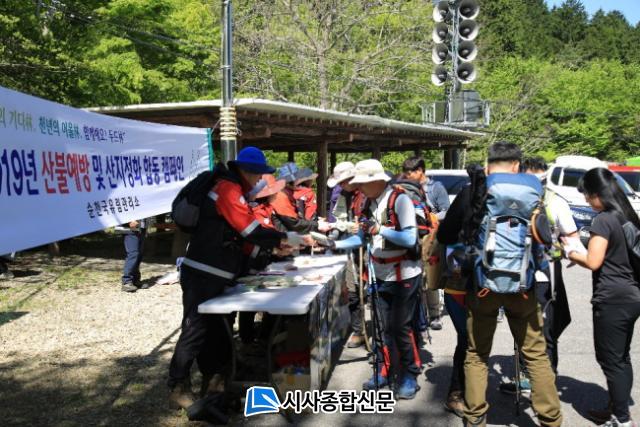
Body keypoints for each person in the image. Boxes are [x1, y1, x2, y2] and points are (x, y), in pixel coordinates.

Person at [167, 147, 304, 410]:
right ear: (246, 171)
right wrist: (286, 238)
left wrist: (273, 249)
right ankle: (177, 386)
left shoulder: (234, 190)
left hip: (218, 273)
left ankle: (216, 378)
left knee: (219, 328)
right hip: (202, 273)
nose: (259, 180)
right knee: (195, 329)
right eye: (258, 174)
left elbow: (240, 239)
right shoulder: (228, 189)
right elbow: (249, 230)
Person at [439, 142, 562, 427]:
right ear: (517, 165)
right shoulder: (535, 192)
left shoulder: (473, 190)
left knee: (477, 354)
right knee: (535, 354)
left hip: (482, 286)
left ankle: (475, 418)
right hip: (524, 286)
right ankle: (551, 420)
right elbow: (544, 236)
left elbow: (445, 235)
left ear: (488, 163)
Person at [329, 159, 423, 400]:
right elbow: (361, 238)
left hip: (404, 273)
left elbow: (410, 239)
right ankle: (383, 370)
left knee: (400, 327)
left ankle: (410, 374)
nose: (359, 187)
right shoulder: (367, 202)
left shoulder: (400, 200)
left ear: (378, 181)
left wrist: (379, 230)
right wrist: (333, 244)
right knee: (381, 327)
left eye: (363, 183)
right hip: (379, 273)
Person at [566, 167, 640, 427]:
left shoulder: (603, 220)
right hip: (632, 295)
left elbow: (593, 261)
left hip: (612, 298)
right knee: (621, 357)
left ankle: (621, 419)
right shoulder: (626, 216)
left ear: (598, 194)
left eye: (587, 195)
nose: (586, 200)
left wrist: (570, 252)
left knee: (611, 360)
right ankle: (616, 408)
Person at [499, 156, 578, 395]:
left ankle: (539, 378)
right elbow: (572, 237)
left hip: (522, 272)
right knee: (540, 326)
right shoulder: (554, 200)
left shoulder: (513, 198)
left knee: (535, 327)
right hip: (543, 272)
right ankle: (537, 377)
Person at [402, 157, 449, 330]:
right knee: (414, 276)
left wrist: (432, 217)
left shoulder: (436, 188)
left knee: (431, 276)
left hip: (430, 237)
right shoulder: (404, 189)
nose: (408, 176)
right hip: (411, 236)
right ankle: (418, 315)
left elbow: (446, 210)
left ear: (420, 171)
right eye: (406, 173)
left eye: (410, 172)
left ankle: (435, 314)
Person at [327, 161, 366, 348]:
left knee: (366, 290)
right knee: (352, 290)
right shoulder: (343, 194)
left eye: (343, 181)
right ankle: (357, 329)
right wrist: (331, 235)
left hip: (369, 248)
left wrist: (362, 227)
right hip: (349, 247)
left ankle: (369, 331)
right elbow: (337, 219)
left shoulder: (366, 193)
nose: (341, 185)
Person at [121, 219, 147, 293]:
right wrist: (129, 220)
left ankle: (135, 280)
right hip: (129, 228)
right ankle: (126, 282)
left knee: (139, 255)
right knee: (133, 254)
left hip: (141, 228)